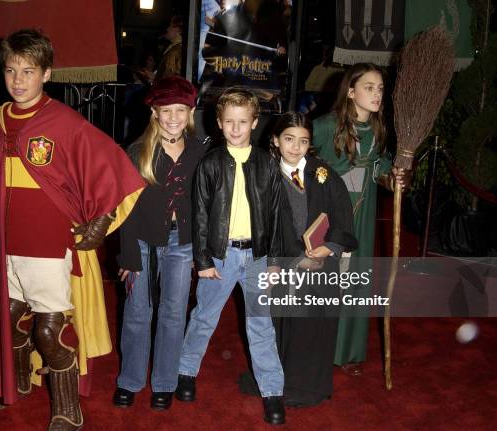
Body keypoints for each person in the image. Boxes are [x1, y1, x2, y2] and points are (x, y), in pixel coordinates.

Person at [0, 29, 145, 430]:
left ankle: (66, 407)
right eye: (11, 71)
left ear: (46, 73)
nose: (18, 80)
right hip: (3, 244)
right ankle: (16, 380)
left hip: (47, 245)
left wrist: (100, 221)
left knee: (50, 329)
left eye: (28, 71)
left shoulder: (64, 121)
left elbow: (114, 168)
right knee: (7, 317)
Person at [174, 88, 286, 425]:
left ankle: (272, 391)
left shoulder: (268, 164)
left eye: (243, 122)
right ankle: (185, 372)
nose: (236, 128)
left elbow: (278, 215)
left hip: (257, 257)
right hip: (220, 257)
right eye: (229, 122)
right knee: (203, 318)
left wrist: (276, 260)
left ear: (254, 123)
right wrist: (204, 260)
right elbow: (201, 217)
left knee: (261, 326)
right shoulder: (209, 164)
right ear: (219, 124)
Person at [113, 76, 205, 411]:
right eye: (166, 110)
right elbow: (125, 207)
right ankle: (130, 380)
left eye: (180, 109)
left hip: (182, 244)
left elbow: (204, 206)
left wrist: (201, 251)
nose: (173, 117)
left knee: (173, 311)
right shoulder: (137, 151)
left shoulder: (200, 151)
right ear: (154, 112)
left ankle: (165, 381)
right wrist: (127, 256)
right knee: (137, 312)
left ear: (189, 112)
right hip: (140, 242)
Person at [312, 63, 410, 376]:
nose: (377, 94)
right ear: (351, 91)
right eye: (369, 87)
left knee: (355, 279)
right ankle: (315, 348)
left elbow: (378, 165)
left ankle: (347, 352)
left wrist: (393, 179)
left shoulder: (379, 129)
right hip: (330, 212)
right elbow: (298, 157)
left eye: (380, 88)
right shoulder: (326, 126)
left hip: (363, 214)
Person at [268, 112, 357, 406]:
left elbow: (342, 214)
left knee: (316, 324)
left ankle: (312, 385)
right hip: (285, 265)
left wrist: (329, 247)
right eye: (289, 139)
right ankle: (281, 383)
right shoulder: (266, 176)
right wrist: (289, 259)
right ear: (276, 140)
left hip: (320, 264)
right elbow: (263, 225)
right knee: (287, 325)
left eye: (303, 141)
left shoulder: (323, 174)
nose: (296, 147)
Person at [155, 15, 184, 79]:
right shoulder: (176, 47)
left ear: (178, 29)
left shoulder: (176, 49)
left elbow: (170, 77)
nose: (167, 29)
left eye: (170, 26)